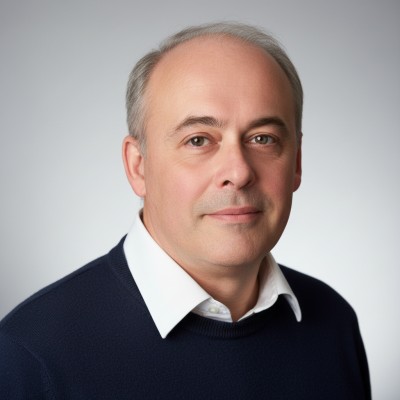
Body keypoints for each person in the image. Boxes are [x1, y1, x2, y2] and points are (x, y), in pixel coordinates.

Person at [0, 22, 370, 399]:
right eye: (198, 140)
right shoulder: (31, 355)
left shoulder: (333, 324)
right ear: (138, 166)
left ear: (296, 163)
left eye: (263, 138)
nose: (239, 172)